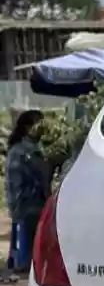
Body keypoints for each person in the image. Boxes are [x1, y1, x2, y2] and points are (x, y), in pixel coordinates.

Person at [5, 110, 48, 273]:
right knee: (24, 245)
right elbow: (15, 182)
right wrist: (16, 207)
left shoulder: (36, 149)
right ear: (27, 127)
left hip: (35, 204)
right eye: (38, 124)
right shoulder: (21, 151)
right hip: (26, 205)